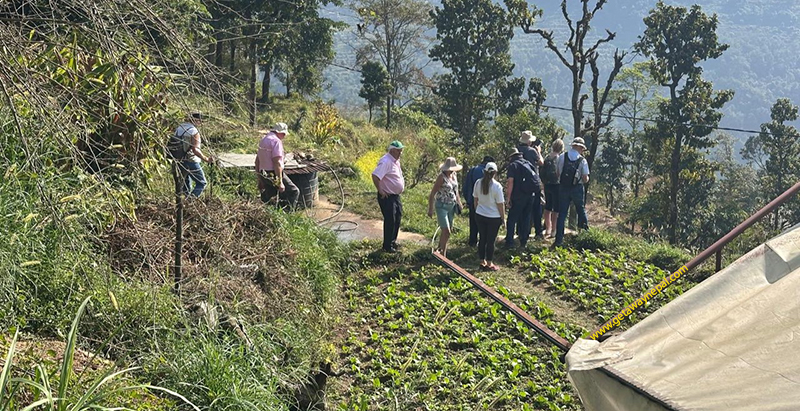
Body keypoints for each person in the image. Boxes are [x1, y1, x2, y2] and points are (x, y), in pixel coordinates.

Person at [554, 137, 590, 247]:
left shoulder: (562, 157)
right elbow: (585, 178)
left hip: (563, 187)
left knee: (562, 213)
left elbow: (557, 173)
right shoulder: (582, 160)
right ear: (580, 147)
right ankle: (585, 236)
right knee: (580, 210)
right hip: (577, 188)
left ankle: (558, 240)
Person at [256, 123, 300, 209]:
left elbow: (257, 161)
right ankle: (288, 214)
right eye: (283, 134)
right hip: (273, 173)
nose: (284, 136)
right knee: (294, 191)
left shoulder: (263, 140)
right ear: (279, 132)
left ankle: (269, 214)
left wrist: (260, 178)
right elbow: (277, 163)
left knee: (270, 196)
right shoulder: (276, 141)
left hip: (263, 173)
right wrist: (280, 182)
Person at [372, 141, 405, 253]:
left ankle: (392, 242)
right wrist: (380, 190)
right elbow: (375, 176)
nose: (400, 152)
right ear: (392, 150)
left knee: (397, 218)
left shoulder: (395, 161)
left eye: (401, 150)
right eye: (398, 150)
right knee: (390, 219)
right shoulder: (386, 161)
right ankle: (387, 246)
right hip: (387, 196)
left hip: (395, 196)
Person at [504, 149, 541, 248]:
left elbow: (510, 182)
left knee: (511, 219)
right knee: (526, 218)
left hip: (519, 196)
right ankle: (523, 242)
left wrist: (508, 198)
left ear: (511, 157)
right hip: (530, 195)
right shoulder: (527, 163)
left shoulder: (513, 165)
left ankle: (509, 242)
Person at [428, 157, 464, 257]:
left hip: (451, 206)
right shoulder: (441, 177)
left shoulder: (454, 175)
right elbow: (432, 194)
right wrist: (430, 209)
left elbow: (455, 191)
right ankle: (443, 255)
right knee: (446, 230)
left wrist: (459, 202)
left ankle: (440, 248)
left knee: (448, 231)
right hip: (441, 206)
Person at [473, 162, 505, 271]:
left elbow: (475, 199)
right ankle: (490, 263)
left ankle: (482, 261)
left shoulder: (478, 183)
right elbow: (500, 204)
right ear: (495, 173)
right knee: (490, 241)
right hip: (493, 217)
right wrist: (503, 218)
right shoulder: (497, 186)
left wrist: (478, 210)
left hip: (480, 214)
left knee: (482, 238)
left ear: (484, 171)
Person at [174, 112, 214, 198]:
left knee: (186, 184)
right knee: (202, 183)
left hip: (179, 159)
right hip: (191, 160)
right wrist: (206, 159)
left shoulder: (179, 128)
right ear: (195, 120)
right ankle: (190, 201)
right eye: (200, 121)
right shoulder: (193, 131)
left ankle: (184, 204)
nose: (200, 123)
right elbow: (195, 150)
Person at [518, 130, 545, 239]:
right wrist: (539, 151)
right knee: (536, 207)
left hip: (520, 183)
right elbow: (541, 162)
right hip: (533, 182)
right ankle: (538, 232)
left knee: (521, 208)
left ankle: (521, 231)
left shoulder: (517, 150)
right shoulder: (532, 151)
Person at [463, 156, 494, 247]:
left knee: (473, 223)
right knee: (484, 224)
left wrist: (468, 199)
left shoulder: (473, 170)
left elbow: (466, 187)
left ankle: (472, 242)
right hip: (485, 203)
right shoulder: (487, 172)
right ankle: (483, 243)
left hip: (473, 201)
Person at [541, 139, 564, 238]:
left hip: (547, 184)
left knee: (548, 206)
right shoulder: (559, 158)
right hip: (557, 185)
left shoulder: (547, 158)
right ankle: (554, 230)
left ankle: (548, 228)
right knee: (556, 208)